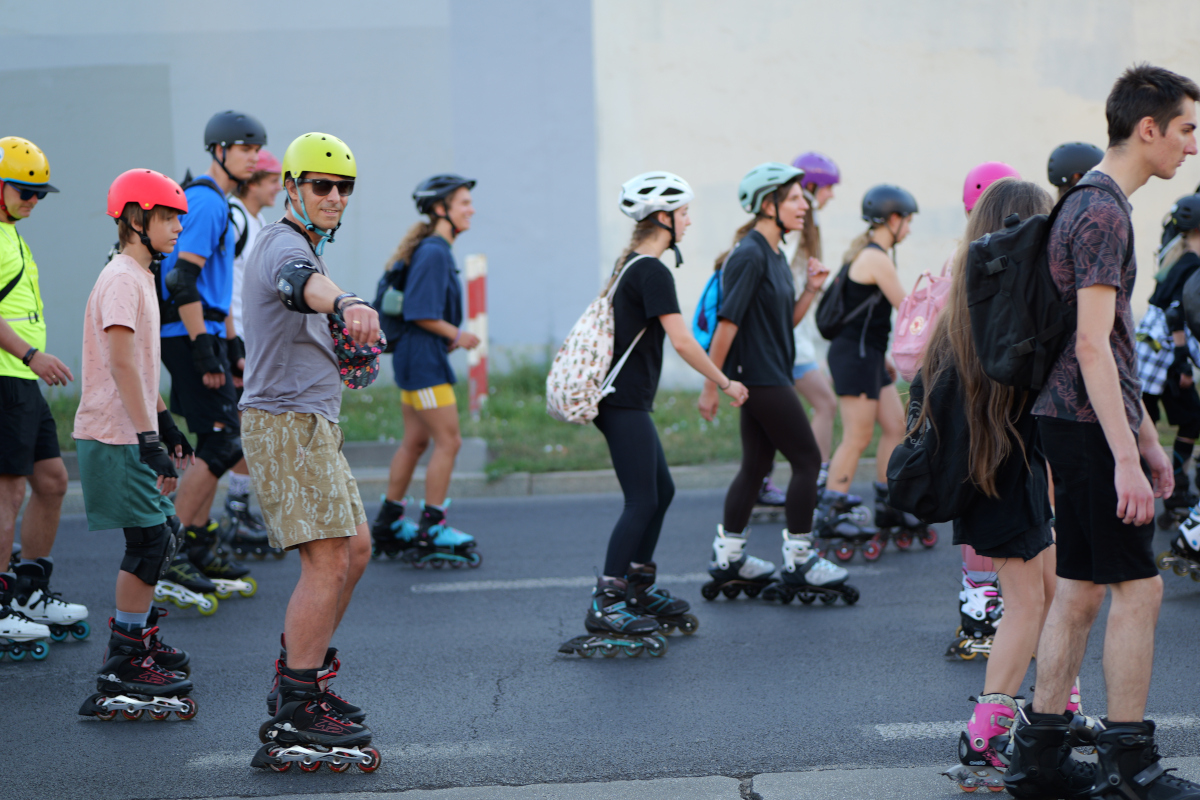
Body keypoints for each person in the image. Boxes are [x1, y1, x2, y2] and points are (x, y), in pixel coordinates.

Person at [1006, 64, 1200, 800]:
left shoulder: (1095, 201)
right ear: (1146, 128)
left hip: (1082, 419)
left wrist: (1148, 440)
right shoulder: (1104, 211)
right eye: (1185, 129)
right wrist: (1126, 456)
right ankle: (1130, 765)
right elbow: (1091, 345)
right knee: (1140, 593)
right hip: (1087, 426)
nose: (1191, 147)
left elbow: (1111, 345)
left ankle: (1039, 761)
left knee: (1083, 591)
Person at [558, 172, 748, 658]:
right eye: (682, 212)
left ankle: (637, 585)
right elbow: (683, 339)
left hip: (627, 399)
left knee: (661, 491)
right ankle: (607, 598)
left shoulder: (633, 265)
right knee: (642, 499)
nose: (687, 220)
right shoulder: (652, 270)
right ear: (662, 217)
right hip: (622, 400)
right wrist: (725, 382)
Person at [241, 132, 381, 771]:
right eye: (321, 184)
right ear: (292, 186)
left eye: (344, 187)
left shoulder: (311, 250)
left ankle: (304, 671)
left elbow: (307, 299)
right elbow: (298, 285)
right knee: (326, 560)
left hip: (314, 421)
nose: (333, 195)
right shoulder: (283, 243)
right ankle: (297, 701)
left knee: (355, 549)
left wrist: (342, 345)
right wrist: (346, 302)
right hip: (286, 422)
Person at [919, 178, 1060, 791]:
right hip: (1000, 474)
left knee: (1053, 597)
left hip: (1000, 470)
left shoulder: (971, 302)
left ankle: (1058, 711)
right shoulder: (1002, 310)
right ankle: (986, 740)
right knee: (1029, 605)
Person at [699, 163, 857, 606]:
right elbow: (727, 326)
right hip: (761, 379)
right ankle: (800, 560)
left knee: (755, 465)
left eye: (802, 197)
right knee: (807, 460)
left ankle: (730, 557)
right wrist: (713, 385)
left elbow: (778, 326)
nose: (803, 204)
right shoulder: (749, 254)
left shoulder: (774, 255)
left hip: (767, 372)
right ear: (767, 205)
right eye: (793, 198)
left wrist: (809, 290)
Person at [75, 169, 198, 721]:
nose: (177, 227)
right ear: (134, 219)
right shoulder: (124, 278)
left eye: (178, 218)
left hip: (131, 428)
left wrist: (166, 423)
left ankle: (135, 642)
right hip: (114, 432)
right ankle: (125, 658)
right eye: (168, 217)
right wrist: (149, 437)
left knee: (155, 536)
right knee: (151, 540)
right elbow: (120, 361)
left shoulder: (141, 276)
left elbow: (142, 371)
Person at [158, 110, 265, 584]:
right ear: (219, 151)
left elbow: (218, 288)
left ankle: (197, 541)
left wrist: (232, 346)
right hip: (187, 334)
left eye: (254, 149)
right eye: (244, 149)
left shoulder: (218, 201)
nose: (253, 158)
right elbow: (183, 280)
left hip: (205, 331)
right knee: (223, 441)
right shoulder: (206, 202)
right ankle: (170, 548)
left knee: (215, 439)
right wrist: (204, 347)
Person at [0, 135, 87, 650]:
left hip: (22, 379)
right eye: (23, 191)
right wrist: (31, 355)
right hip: (8, 374)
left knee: (52, 481)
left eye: (40, 194)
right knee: (9, 490)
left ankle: (29, 589)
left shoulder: (13, 233)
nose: (33, 201)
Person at [369, 174, 482, 568]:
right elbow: (421, 312)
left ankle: (388, 521)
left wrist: (446, 335)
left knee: (415, 442)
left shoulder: (432, 249)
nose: (470, 209)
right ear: (441, 209)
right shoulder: (435, 252)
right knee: (449, 442)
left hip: (416, 360)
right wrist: (458, 334)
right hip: (426, 366)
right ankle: (432, 527)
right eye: (463, 202)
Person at [823, 184, 921, 541]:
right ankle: (830, 512)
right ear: (892, 219)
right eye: (907, 221)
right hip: (854, 358)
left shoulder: (872, 255)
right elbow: (908, 307)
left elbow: (867, 319)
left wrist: (884, 358)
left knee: (896, 426)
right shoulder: (876, 258)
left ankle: (888, 503)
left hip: (868, 357)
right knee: (857, 435)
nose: (908, 229)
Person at [221, 148, 283, 559]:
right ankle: (235, 513)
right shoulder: (234, 217)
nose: (279, 186)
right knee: (245, 430)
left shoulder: (256, 220)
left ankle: (239, 510)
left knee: (253, 428)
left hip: (253, 339)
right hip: (237, 340)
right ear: (253, 182)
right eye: (273, 179)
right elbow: (220, 281)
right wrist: (231, 344)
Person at [1135, 193, 1200, 527]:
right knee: (1183, 419)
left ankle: (1172, 493)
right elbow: (1176, 312)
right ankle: (1167, 494)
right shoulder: (1192, 264)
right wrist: (1181, 362)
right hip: (1163, 358)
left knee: (1188, 418)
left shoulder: (1177, 258)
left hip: (1152, 356)